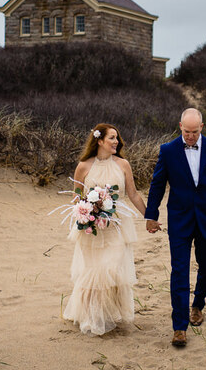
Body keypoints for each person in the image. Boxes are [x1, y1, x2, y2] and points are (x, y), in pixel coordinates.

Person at [145, 108, 206, 347]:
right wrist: (151, 216)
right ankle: (179, 327)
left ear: (202, 128)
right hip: (179, 220)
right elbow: (157, 184)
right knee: (179, 271)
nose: (190, 136)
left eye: (195, 132)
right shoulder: (168, 150)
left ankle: (198, 304)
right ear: (180, 127)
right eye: (186, 132)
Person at [62, 123, 148, 335]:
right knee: (94, 271)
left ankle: (106, 312)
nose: (116, 141)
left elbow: (133, 194)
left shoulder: (123, 164)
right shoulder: (84, 166)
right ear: (99, 141)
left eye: (117, 138)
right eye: (111, 138)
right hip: (92, 226)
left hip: (117, 225)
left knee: (112, 268)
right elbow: (76, 196)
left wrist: (150, 217)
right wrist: (86, 210)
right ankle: (92, 316)